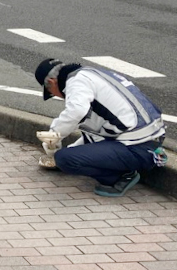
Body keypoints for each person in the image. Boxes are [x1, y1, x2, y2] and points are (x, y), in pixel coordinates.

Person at [34, 58, 167, 197]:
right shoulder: (91, 74)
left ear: (51, 82)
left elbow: (76, 112)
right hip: (150, 140)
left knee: (65, 159)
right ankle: (126, 167)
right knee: (66, 156)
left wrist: (54, 136)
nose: (58, 96)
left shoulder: (75, 83)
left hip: (138, 148)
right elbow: (93, 135)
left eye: (50, 93)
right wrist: (68, 152)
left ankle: (121, 178)